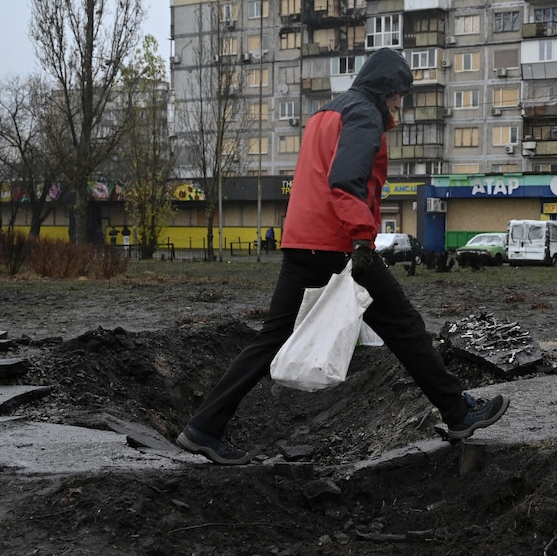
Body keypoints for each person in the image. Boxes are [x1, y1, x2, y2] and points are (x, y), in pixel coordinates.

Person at [176, 48, 509, 465]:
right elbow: (345, 180)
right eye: (401, 95)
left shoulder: (326, 113)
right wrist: (363, 241)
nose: (400, 105)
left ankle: (204, 427)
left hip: (303, 239)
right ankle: (459, 413)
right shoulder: (364, 114)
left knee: (272, 337)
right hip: (339, 245)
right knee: (405, 326)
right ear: (387, 89)